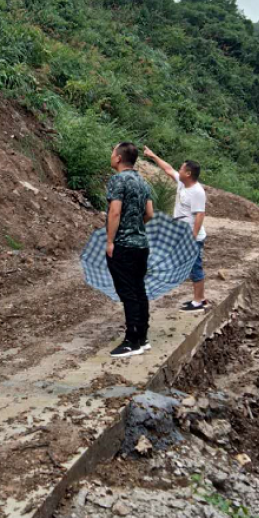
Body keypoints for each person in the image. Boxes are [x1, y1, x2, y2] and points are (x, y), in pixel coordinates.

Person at [105, 142, 155, 357]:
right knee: (139, 289)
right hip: (141, 245)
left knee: (127, 292)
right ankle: (142, 337)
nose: (111, 155)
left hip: (123, 245)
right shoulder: (143, 182)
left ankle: (131, 340)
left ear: (118, 158)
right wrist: (135, 225)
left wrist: (110, 241)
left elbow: (114, 212)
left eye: (112, 151)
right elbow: (150, 213)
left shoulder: (117, 180)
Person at [143, 147, 207, 310]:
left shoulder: (197, 192)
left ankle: (199, 301)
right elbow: (168, 169)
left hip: (193, 237)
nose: (178, 170)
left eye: (182, 168)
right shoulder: (182, 182)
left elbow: (200, 215)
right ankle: (198, 298)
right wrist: (153, 156)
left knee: (195, 267)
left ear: (188, 174)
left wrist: (192, 238)